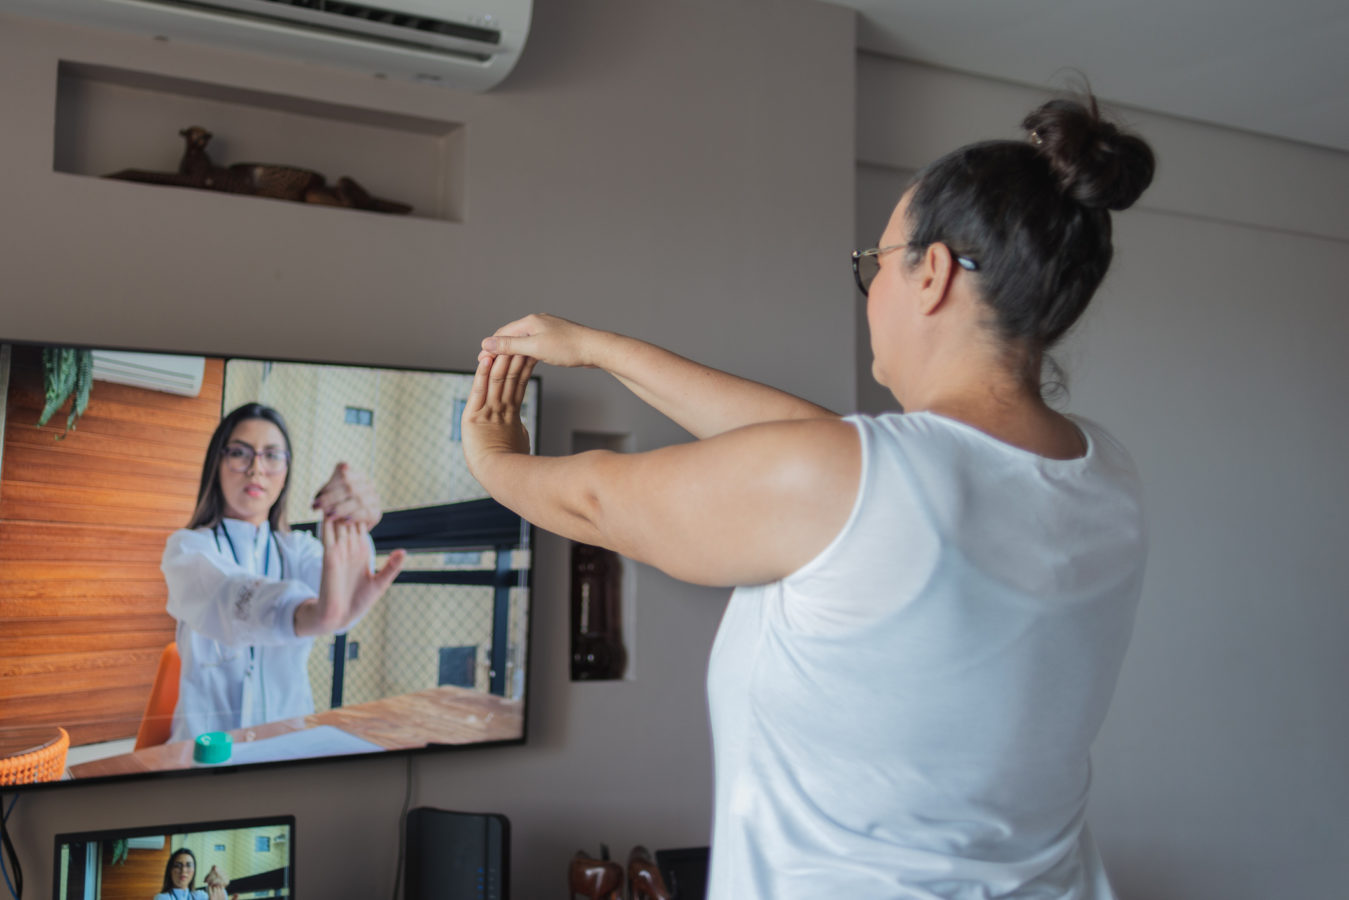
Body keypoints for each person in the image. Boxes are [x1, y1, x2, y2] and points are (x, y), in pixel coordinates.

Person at [461, 92, 1155, 899]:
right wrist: (601, 350)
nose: (869, 291)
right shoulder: (1105, 472)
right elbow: (824, 446)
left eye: (875, 261)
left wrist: (490, 455)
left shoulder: (861, 481)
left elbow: (594, 502)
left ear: (929, 274)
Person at [161, 402, 405, 743]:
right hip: (203, 750)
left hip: (287, 743)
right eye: (240, 453)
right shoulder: (187, 550)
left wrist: (352, 526)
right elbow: (228, 594)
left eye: (272, 455)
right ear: (217, 462)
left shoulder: (300, 549)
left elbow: (339, 608)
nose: (256, 468)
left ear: (287, 470)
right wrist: (309, 614)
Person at [154, 848, 229, 900]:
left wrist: (218, 883)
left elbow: (221, 896)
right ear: (170, 870)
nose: (183, 870)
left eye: (189, 865)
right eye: (178, 866)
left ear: (194, 871)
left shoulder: (200, 896)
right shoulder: (162, 898)